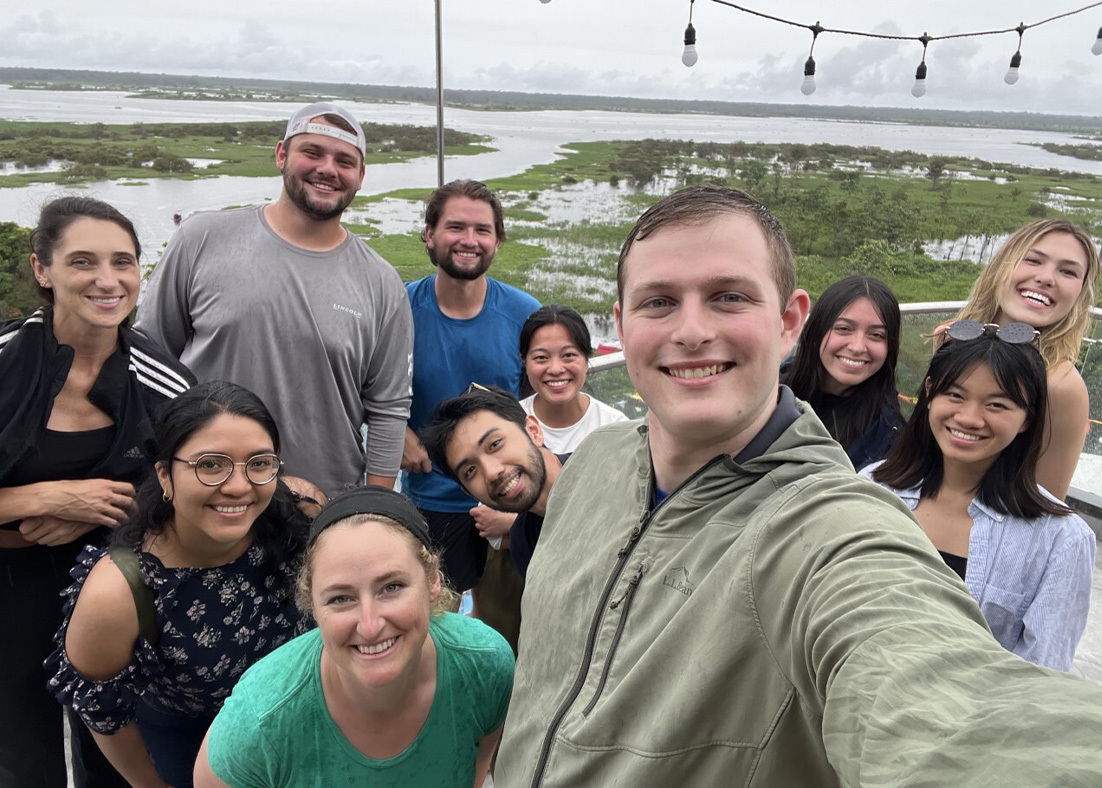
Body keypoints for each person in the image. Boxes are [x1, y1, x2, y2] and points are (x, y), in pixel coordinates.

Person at [494, 185, 1102, 788]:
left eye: (729, 297)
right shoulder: (595, 461)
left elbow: (936, 692)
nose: (692, 330)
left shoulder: (830, 524)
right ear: (622, 326)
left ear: (789, 323)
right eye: (658, 303)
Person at [0, 196, 193, 788]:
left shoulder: (162, 380)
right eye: (83, 261)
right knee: (19, 756)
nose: (107, 281)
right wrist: (42, 499)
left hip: (112, 592)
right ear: (42, 270)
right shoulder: (5, 364)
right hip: (8, 591)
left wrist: (103, 512)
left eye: (124, 262)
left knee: (112, 751)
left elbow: (196, 486)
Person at [136, 101, 413, 496]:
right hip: (204, 494)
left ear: (361, 176)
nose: (328, 170)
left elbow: (388, 409)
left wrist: (376, 507)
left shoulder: (382, 282)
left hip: (321, 505)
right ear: (282, 155)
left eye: (344, 161)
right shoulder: (201, 239)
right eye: (312, 152)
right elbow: (150, 361)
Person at [47, 381, 310, 788]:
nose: (238, 485)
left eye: (258, 463)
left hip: (298, 723)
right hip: (191, 745)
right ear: (165, 475)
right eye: (210, 464)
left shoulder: (296, 521)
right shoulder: (119, 591)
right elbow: (102, 711)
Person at [193, 486, 514, 788]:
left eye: (392, 587)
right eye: (340, 598)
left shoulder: (485, 666)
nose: (370, 626)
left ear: (432, 580)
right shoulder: (261, 719)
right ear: (312, 606)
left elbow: (477, 766)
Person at [865, 322, 1095, 671]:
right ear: (929, 393)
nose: (969, 418)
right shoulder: (872, 488)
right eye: (955, 395)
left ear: (1027, 419)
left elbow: (1042, 675)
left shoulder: (1060, 541)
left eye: (998, 405)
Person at [401, 179, 539, 595]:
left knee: (511, 619)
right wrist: (396, 433)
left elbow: (543, 404)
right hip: (433, 501)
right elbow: (357, 385)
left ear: (498, 241)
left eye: (482, 230)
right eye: (455, 227)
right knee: (440, 616)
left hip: (511, 499)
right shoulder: (399, 309)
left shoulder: (524, 313)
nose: (469, 240)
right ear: (429, 235)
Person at [944, 218, 1099, 499]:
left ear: (1080, 294)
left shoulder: (1059, 385)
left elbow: (1043, 505)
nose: (1046, 278)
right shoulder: (952, 339)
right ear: (1002, 265)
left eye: (1068, 271)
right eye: (1033, 260)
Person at [422, 384, 566, 579]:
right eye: (470, 471)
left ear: (533, 431)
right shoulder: (524, 543)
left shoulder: (610, 470)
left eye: (495, 444)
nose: (491, 472)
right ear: (467, 492)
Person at [781, 275, 903, 469]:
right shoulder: (771, 388)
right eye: (844, 328)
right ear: (818, 330)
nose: (857, 347)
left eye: (876, 335)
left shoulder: (887, 434)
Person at [519, 304, 627, 454]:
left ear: (586, 358)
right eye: (541, 357)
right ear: (524, 361)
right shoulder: (511, 423)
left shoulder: (615, 428)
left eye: (568, 355)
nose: (556, 369)